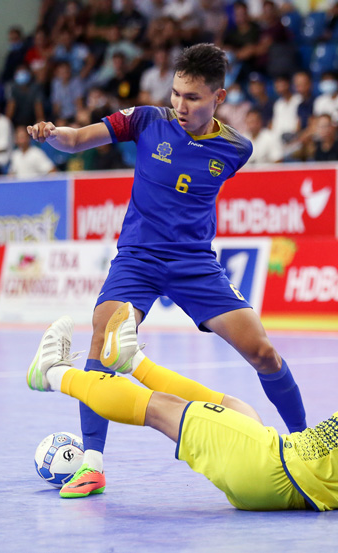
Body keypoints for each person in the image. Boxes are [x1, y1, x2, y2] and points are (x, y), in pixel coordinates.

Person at [27, 44, 309, 498]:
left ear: (219, 97)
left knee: (263, 353)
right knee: (102, 340)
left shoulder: (237, 148)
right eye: (176, 93)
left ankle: (304, 441)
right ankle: (92, 464)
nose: (180, 104)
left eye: (193, 97)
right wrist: (52, 133)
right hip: (138, 257)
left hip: (195, 264)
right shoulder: (145, 120)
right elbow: (77, 140)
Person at [28, 309, 338, 516]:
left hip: (273, 467)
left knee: (164, 409)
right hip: (281, 482)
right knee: (236, 408)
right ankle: (132, 362)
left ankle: (52, 373)